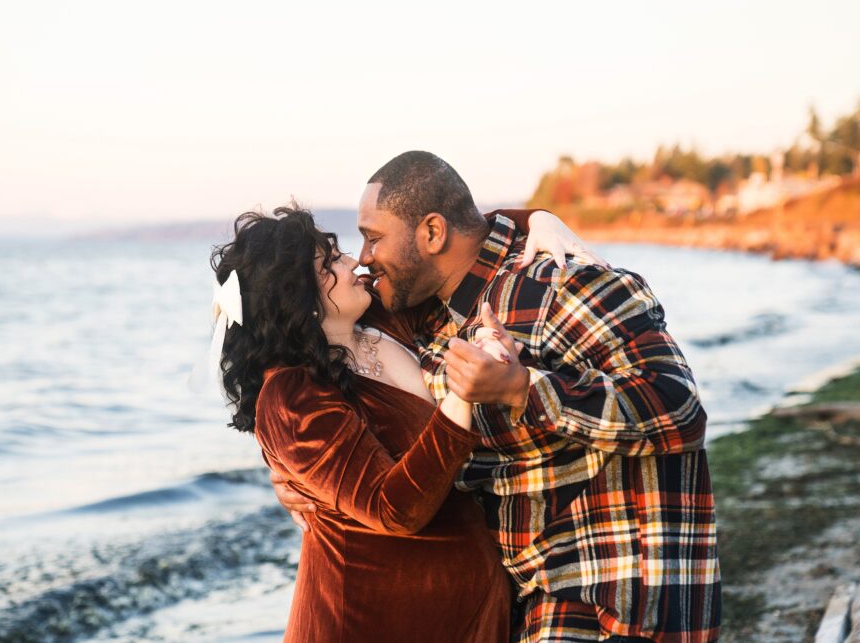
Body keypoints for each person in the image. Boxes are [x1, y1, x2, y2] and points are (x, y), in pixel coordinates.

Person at [273, 151, 721, 643]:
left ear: (432, 234)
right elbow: (303, 357)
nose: (362, 256)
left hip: (616, 591)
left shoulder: (561, 284)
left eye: (373, 237)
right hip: (521, 601)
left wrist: (521, 389)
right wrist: (286, 462)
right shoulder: (422, 319)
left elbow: (678, 409)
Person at [211, 204, 591, 642]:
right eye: (329, 262)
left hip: (466, 613)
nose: (354, 260)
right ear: (297, 296)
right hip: (366, 621)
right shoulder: (291, 396)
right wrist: (462, 392)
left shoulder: (382, 315)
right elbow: (394, 508)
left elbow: (452, 243)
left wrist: (535, 219)